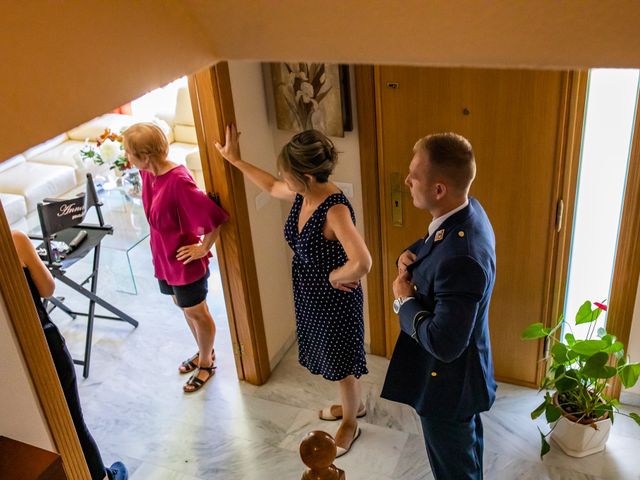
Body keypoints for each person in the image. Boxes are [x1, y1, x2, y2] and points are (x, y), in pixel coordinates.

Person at [216, 125, 371, 457]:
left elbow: (363, 262)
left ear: (306, 175)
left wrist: (333, 276)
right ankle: (352, 407)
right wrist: (234, 160)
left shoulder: (335, 209)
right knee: (330, 357)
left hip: (335, 300)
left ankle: (350, 422)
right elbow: (271, 187)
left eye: (287, 174)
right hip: (309, 292)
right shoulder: (303, 194)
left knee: (342, 364)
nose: (282, 179)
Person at [381, 133, 497, 479]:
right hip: (462, 378)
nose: (407, 181)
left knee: (455, 471)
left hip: (449, 385)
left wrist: (404, 301)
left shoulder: (463, 257)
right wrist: (410, 254)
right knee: (465, 454)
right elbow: (435, 242)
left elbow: (445, 343)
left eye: (414, 175)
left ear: (439, 190)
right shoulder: (468, 210)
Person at [12, 230, 128, 480]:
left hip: (9, 363)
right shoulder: (15, 240)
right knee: (72, 421)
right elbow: (47, 288)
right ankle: (102, 477)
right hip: (42, 343)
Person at [122, 123, 229, 393]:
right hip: (164, 257)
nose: (126, 158)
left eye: (128, 153)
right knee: (183, 307)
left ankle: (206, 361)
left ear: (145, 156)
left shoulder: (178, 181)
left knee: (197, 312)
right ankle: (204, 351)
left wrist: (203, 248)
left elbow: (213, 217)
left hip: (184, 261)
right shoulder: (148, 174)